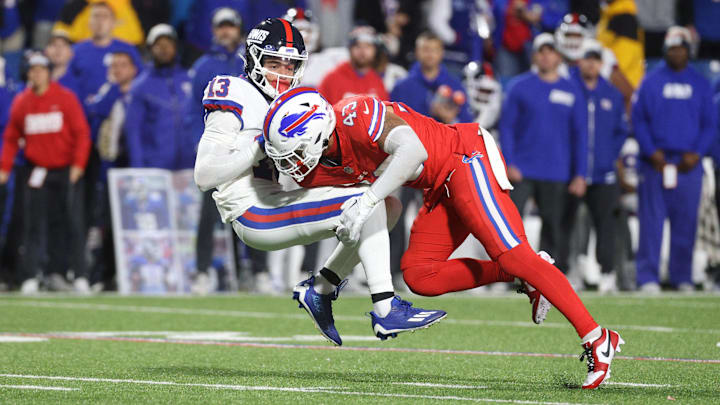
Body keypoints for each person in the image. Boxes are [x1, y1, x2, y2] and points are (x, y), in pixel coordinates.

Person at [263, 84, 624, 390]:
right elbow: (373, 207)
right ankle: (521, 275)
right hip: (437, 186)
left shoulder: (355, 115)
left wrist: (368, 199)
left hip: (465, 157)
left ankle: (597, 336)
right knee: (420, 275)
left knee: (512, 252)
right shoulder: (315, 165)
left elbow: (413, 150)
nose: (292, 164)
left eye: (294, 152)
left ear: (319, 132)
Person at [193, 18, 446, 345]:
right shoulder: (236, 92)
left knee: (388, 206)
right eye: (273, 63)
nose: (282, 73)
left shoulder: (288, 100)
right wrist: (258, 147)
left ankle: (321, 288)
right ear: (254, 59)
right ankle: (385, 308)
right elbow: (204, 175)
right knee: (365, 203)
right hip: (253, 212)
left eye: (291, 64)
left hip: (277, 198)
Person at [631, 26, 718, 292]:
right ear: (666, 50)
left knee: (686, 222)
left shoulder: (701, 84)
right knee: (651, 222)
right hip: (655, 163)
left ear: (688, 50)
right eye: (672, 48)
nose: (677, 52)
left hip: (688, 165)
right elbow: (639, 119)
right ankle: (647, 277)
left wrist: (698, 153)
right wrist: (650, 150)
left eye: (681, 47)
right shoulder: (650, 82)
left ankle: (682, 276)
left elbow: (710, 125)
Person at [0, 52, 91, 294]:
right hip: (37, 170)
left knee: (72, 222)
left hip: (65, 169)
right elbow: (11, 137)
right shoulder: (22, 102)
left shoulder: (65, 98)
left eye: (40, 69)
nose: (36, 74)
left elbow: (82, 133)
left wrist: (78, 165)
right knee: (33, 224)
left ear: (49, 72)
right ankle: (30, 275)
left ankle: (78, 274)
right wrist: (5, 167)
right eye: (32, 70)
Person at [499, 33, 588, 275]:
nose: (546, 56)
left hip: (557, 171)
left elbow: (581, 135)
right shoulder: (519, 87)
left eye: (551, 51)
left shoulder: (573, 90)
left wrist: (580, 173)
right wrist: (509, 163)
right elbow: (507, 127)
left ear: (559, 56)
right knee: (510, 226)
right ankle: (506, 272)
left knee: (554, 226)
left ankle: (550, 277)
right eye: (541, 51)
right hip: (521, 171)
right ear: (535, 55)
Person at [185, 7, 246, 294]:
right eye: (221, 26)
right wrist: (200, 145)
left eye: (230, 26)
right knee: (208, 215)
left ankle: (253, 271)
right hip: (215, 152)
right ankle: (202, 270)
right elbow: (191, 110)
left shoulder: (249, 61)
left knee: (250, 209)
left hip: (246, 150)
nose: (226, 32)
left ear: (239, 29)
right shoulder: (203, 65)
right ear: (213, 30)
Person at [563, 39, 628, 293]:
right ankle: (571, 271)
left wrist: (606, 155)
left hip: (603, 173)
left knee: (605, 225)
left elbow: (621, 131)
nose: (590, 63)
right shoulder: (569, 88)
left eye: (595, 59)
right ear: (579, 61)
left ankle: (607, 272)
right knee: (568, 223)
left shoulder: (611, 93)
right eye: (586, 58)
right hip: (572, 172)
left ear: (601, 63)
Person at [125, 24, 194, 170]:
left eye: (168, 44)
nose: (164, 49)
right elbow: (133, 130)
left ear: (175, 47)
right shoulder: (140, 86)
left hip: (189, 165)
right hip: (155, 167)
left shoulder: (189, 78)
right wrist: (137, 167)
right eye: (159, 45)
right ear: (150, 49)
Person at [391, 31, 473, 125]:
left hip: (444, 139)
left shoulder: (456, 85)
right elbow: (392, 123)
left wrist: (450, 120)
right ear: (417, 52)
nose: (430, 55)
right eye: (425, 50)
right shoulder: (401, 87)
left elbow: (466, 126)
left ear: (442, 53)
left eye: (435, 50)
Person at [318, 26, 389, 105]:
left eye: (368, 46)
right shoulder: (331, 78)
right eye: (357, 46)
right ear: (350, 49)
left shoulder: (377, 81)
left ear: (375, 50)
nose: (362, 51)